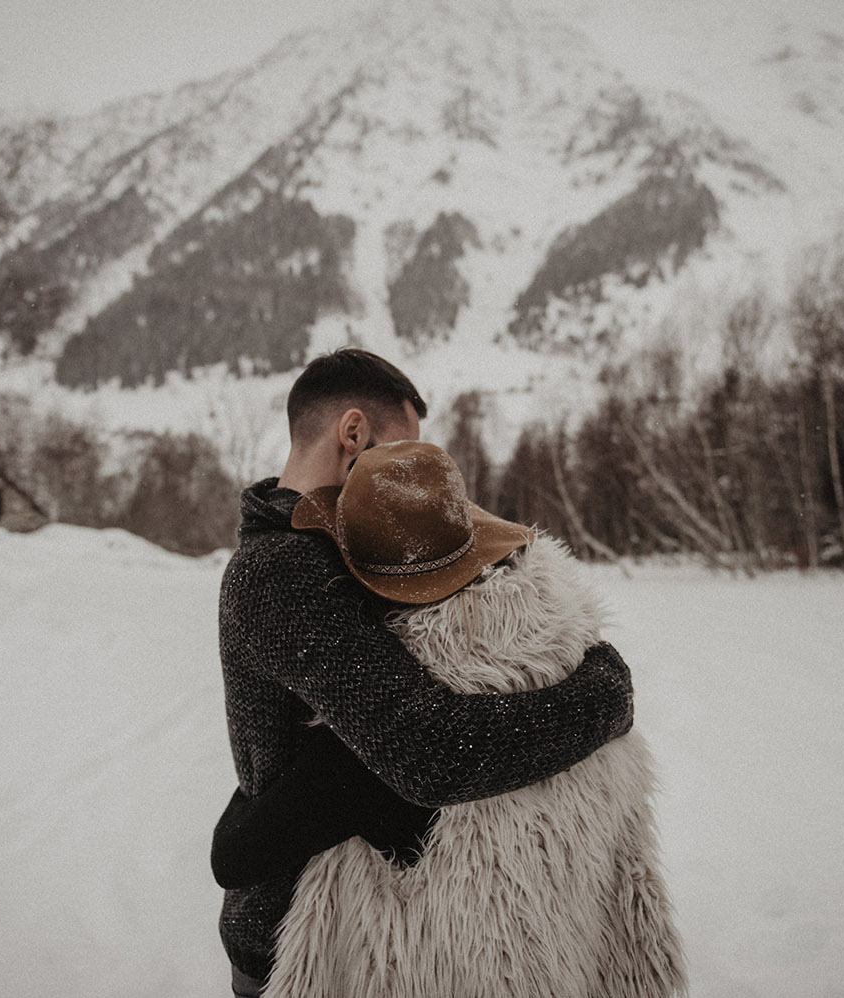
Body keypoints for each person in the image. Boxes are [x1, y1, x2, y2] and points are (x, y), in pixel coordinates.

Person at [215, 348, 636, 995]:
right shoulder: (283, 569)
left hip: (372, 928)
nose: (405, 476)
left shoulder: (328, 547)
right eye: (399, 448)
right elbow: (432, 750)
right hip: (299, 945)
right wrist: (600, 699)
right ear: (352, 434)